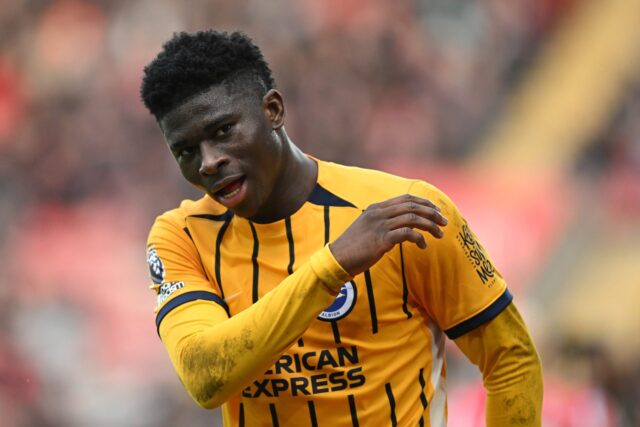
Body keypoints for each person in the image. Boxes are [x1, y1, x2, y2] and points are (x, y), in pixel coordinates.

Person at [140, 29, 543, 426]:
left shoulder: (405, 212)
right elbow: (205, 377)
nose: (208, 162)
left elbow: (511, 358)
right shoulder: (181, 238)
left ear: (273, 110)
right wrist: (331, 267)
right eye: (186, 151)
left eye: (223, 131)